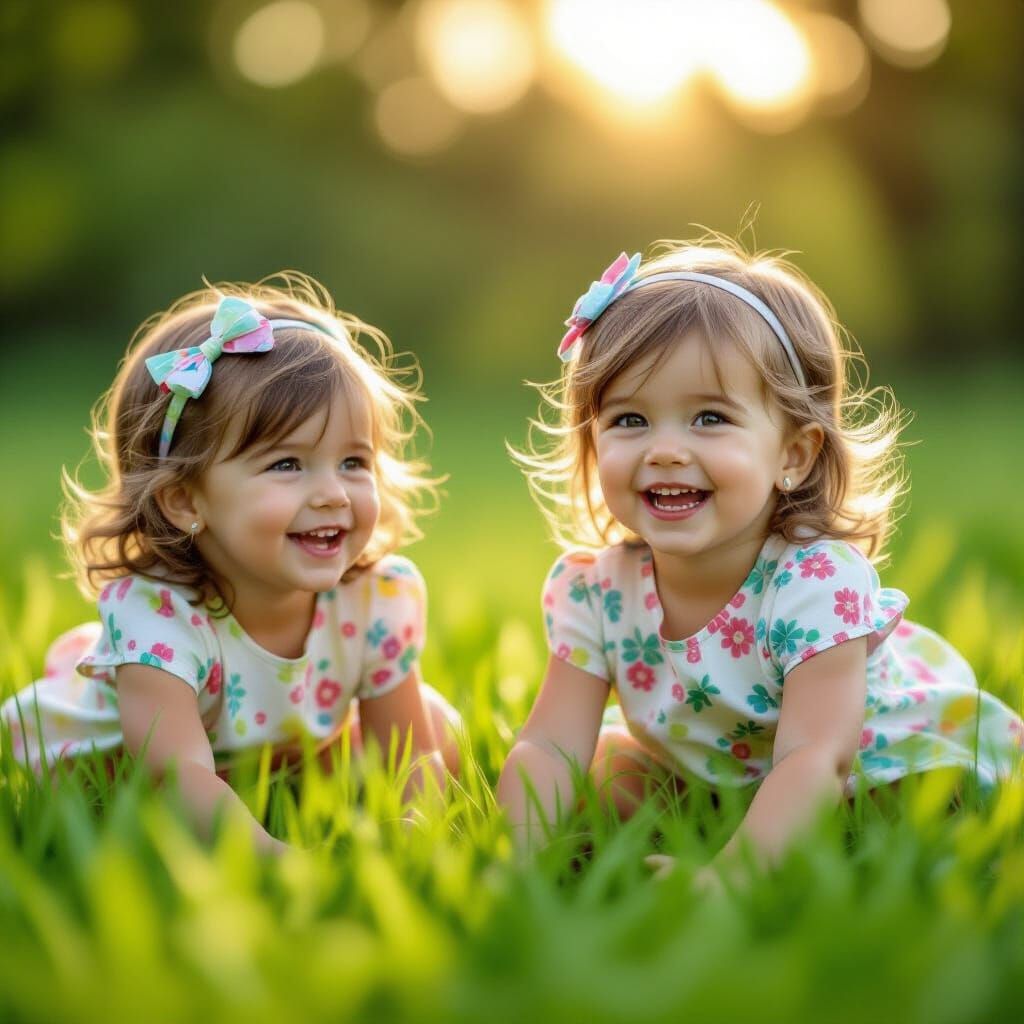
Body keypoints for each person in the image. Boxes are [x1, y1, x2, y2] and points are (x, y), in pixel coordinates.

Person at [497, 240, 1023, 876]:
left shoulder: (813, 582)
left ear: (793, 455)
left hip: (856, 762)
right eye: (629, 420)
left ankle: (769, 852)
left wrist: (730, 879)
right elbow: (550, 744)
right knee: (605, 769)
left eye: (709, 418)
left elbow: (815, 758)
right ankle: (703, 832)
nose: (664, 450)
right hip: (714, 772)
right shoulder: (596, 589)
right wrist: (519, 862)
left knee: (915, 803)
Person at [2, 274, 460, 854]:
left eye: (353, 461)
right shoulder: (160, 617)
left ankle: (289, 793)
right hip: (129, 769)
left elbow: (408, 752)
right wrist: (277, 863)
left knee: (439, 727)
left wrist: (418, 843)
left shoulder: (374, 597)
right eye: (287, 465)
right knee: (135, 804)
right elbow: (175, 776)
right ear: (185, 500)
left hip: (271, 754)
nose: (333, 494)